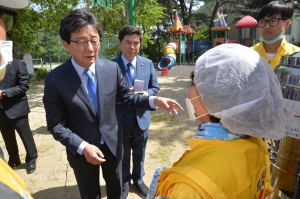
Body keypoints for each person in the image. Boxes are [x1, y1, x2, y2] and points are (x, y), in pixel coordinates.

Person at [43, 9, 183, 199]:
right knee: (91, 194)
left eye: (94, 40)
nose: (90, 48)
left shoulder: (110, 68)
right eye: (82, 42)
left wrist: (153, 100)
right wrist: (83, 147)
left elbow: (127, 97)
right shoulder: (55, 79)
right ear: (66, 44)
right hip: (82, 152)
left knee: (116, 189)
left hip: (113, 144)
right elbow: (56, 125)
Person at [154, 44, 286, 198]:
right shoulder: (256, 143)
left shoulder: (188, 187)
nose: (189, 92)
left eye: (195, 84)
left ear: (215, 96)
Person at [111, 25, 159, 199]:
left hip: (141, 118)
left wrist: (148, 94)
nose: (132, 47)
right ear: (120, 43)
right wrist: (124, 97)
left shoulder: (147, 64)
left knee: (140, 152)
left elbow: (155, 87)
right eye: (128, 42)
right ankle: (124, 183)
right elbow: (106, 94)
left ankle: (138, 180)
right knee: (122, 154)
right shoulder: (111, 66)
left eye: (136, 43)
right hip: (120, 119)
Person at [0, 1, 34, 198]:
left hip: (17, 108)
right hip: (2, 110)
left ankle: (31, 159)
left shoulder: (19, 64)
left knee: (26, 137)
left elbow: (24, 86)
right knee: (8, 138)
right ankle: (14, 160)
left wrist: (4, 93)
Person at [251, 1, 300, 70]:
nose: (267, 26)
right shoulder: (249, 53)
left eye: (273, 20)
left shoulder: (297, 54)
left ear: (287, 23)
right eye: (262, 21)